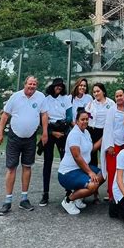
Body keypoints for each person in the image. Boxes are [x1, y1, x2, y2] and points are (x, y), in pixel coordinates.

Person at [0, 75, 48, 215]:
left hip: (30, 138)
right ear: (25, 84)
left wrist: (45, 133)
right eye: (30, 84)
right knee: (12, 167)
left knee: (27, 167)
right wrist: (0, 132)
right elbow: (5, 115)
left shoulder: (40, 97)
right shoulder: (15, 97)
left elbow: (44, 115)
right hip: (14, 137)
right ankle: (7, 201)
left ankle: (24, 199)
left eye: (34, 84)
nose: (32, 86)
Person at [57, 108, 105, 215]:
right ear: (77, 121)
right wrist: (89, 172)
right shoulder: (74, 134)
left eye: (87, 119)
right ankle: (68, 200)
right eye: (82, 119)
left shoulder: (86, 132)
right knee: (92, 185)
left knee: (103, 175)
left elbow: (91, 149)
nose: (85, 122)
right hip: (68, 173)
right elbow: (77, 156)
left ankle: (78, 198)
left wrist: (103, 138)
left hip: (79, 170)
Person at [39, 77, 73, 207]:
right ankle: (45, 193)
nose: (59, 87)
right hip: (50, 130)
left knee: (66, 161)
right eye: (56, 85)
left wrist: (64, 124)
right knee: (48, 162)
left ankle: (68, 191)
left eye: (61, 86)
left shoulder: (66, 99)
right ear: (52, 87)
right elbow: (43, 117)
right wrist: (51, 132)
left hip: (63, 130)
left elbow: (69, 115)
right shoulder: (46, 100)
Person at [100, 88, 124, 201]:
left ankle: (123, 195)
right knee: (112, 171)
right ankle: (112, 196)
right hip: (113, 145)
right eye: (116, 96)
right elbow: (108, 129)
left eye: (121, 95)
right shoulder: (112, 110)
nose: (119, 98)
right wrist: (110, 145)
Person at [85, 82, 114, 167]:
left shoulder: (111, 103)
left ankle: (107, 178)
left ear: (103, 92)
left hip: (105, 132)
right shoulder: (90, 104)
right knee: (92, 158)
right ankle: (93, 178)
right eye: (94, 92)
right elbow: (86, 118)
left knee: (106, 158)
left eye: (98, 91)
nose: (96, 93)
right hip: (92, 132)